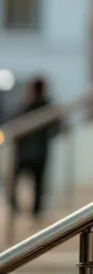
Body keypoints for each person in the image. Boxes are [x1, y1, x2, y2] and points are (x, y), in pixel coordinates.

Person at [8, 75, 60, 220]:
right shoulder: (48, 108)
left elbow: (15, 126)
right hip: (39, 152)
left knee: (16, 181)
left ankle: (17, 208)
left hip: (24, 153)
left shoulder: (26, 107)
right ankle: (35, 213)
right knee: (38, 183)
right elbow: (56, 127)